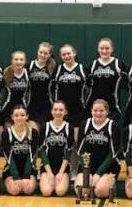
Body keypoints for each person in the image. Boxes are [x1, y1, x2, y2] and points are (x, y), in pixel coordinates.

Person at [52, 44, 87, 179]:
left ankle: (76, 168)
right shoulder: (58, 70)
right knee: (63, 141)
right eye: (64, 54)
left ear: (74, 53)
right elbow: (53, 89)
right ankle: (65, 168)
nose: (66, 56)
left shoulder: (83, 69)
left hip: (78, 110)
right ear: (61, 56)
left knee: (76, 141)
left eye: (69, 53)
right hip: (61, 111)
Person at [74, 99, 121, 198]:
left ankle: (108, 184)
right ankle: (95, 182)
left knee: (100, 192)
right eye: (95, 110)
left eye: (101, 111)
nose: (98, 113)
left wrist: (98, 174)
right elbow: (80, 150)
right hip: (88, 166)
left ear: (107, 112)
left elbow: (113, 154)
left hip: (108, 168)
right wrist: (87, 172)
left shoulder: (113, 126)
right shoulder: (84, 124)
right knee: (82, 191)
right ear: (91, 111)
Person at [85, 37, 127, 122]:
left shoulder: (119, 64)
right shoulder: (92, 65)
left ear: (112, 49)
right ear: (98, 49)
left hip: (113, 105)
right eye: (101, 48)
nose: (104, 51)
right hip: (94, 104)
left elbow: (124, 84)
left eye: (107, 48)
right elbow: (88, 84)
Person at [39, 101, 74, 196]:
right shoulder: (45, 126)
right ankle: (46, 179)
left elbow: (68, 151)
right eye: (55, 109)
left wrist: (61, 173)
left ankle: (66, 177)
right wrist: (49, 172)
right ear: (51, 111)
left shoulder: (69, 127)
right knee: (46, 192)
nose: (58, 112)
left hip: (62, 166)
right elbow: (41, 151)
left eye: (61, 110)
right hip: (47, 166)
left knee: (60, 192)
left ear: (65, 112)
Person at [2, 105, 38, 195]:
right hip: (11, 169)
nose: (19, 118)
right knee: (15, 191)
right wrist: (15, 176)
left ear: (27, 116)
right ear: (12, 117)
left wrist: (26, 176)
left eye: (22, 115)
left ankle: (32, 182)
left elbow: (32, 155)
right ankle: (9, 183)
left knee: (28, 190)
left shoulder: (33, 132)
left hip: (29, 169)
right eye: (16, 115)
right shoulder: (6, 133)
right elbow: (8, 156)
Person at [27, 42, 56, 131]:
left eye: (45, 53)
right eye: (41, 52)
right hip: (31, 105)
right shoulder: (29, 66)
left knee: (44, 135)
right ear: (37, 52)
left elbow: (54, 87)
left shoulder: (53, 67)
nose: (42, 55)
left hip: (46, 105)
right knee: (34, 134)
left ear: (50, 54)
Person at [1, 50, 29, 128]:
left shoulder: (27, 73)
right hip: (8, 108)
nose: (19, 62)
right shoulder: (6, 73)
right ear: (12, 61)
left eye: (21, 59)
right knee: (9, 135)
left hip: (22, 108)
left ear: (25, 61)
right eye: (16, 59)